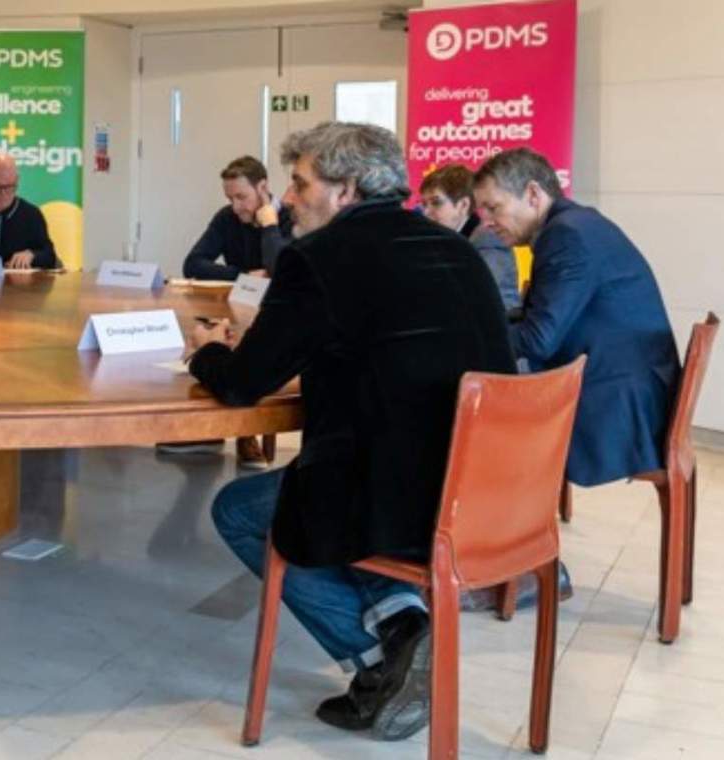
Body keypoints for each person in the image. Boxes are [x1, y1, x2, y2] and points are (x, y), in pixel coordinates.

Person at [189, 122, 516, 741]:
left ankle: (382, 656)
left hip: (396, 495)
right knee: (335, 473)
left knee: (241, 509)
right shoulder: (457, 249)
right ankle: (400, 623)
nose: (286, 198)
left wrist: (205, 350)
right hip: (485, 491)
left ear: (346, 191)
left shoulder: (318, 260)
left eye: (299, 183)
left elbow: (241, 385)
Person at [472, 147, 679, 488]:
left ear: (533, 194)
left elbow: (539, 340)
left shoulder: (566, 235)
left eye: (494, 207)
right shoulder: (579, 224)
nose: (487, 221)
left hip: (619, 407)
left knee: (480, 423)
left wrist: (470, 335)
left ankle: (502, 535)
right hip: (632, 387)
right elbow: (540, 316)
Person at [418, 164, 520, 311]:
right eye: (424, 204)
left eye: (436, 203)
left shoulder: (487, 239)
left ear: (463, 205)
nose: (426, 213)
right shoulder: (449, 241)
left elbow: (488, 302)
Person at [182, 156, 296, 281]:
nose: (235, 208)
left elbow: (280, 271)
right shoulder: (226, 217)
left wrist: (269, 225)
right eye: (230, 199)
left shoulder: (292, 218)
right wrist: (243, 275)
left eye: (241, 197)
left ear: (262, 188)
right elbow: (192, 265)